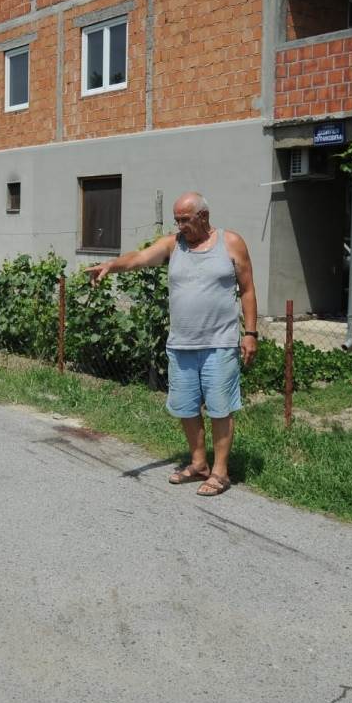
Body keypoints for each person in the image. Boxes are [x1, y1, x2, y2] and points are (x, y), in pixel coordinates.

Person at [85, 192, 257, 496]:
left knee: (220, 408)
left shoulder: (230, 243)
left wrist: (250, 333)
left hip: (220, 342)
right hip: (181, 344)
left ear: (203, 216)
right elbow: (139, 259)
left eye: (185, 220)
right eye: (176, 220)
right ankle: (199, 463)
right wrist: (111, 265)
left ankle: (220, 472)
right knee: (186, 407)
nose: (180, 226)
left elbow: (247, 290)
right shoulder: (172, 245)